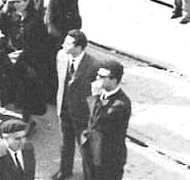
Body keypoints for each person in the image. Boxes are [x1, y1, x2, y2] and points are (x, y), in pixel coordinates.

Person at [54, 31, 97, 180]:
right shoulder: (61, 56)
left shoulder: (93, 65)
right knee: (65, 143)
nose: (63, 45)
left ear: (79, 47)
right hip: (64, 109)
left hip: (82, 114)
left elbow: (96, 95)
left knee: (85, 148)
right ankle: (64, 171)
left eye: (68, 43)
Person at [81, 60, 132, 180]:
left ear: (114, 80)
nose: (97, 78)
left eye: (102, 76)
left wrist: (94, 96)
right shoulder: (101, 95)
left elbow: (98, 121)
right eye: (97, 75)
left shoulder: (121, 104)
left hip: (108, 158)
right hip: (92, 151)